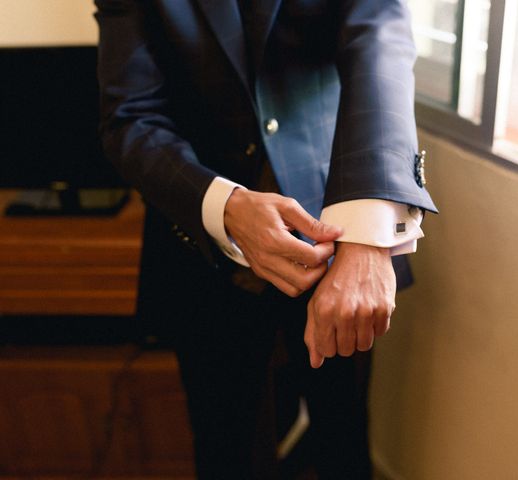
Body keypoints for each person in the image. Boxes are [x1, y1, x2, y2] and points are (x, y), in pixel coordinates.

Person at [94, 0, 437, 478]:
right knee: (225, 450)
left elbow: (381, 45)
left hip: (336, 236)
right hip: (202, 250)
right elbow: (130, 118)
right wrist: (226, 206)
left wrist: (369, 233)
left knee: (342, 442)